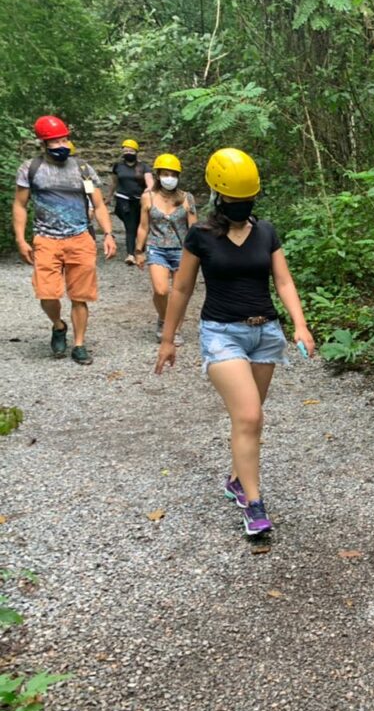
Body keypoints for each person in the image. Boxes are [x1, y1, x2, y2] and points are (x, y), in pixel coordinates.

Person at [155, 148, 314, 537]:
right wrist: (169, 338)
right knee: (249, 417)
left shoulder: (267, 232)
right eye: (235, 199)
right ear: (217, 196)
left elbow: (284, 281)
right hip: (222, 334)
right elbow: (182, 288)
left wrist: (300, 324)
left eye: (248, 199)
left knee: (251, 415)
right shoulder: (201, 236)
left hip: (265, 335)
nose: (242, 206)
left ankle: (235, 477)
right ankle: (254, 505)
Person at [12, 115, 117, 365]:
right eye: (54, 141)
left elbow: (99, 205)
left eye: (63, 139)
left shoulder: (83, 169)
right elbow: (20, 204)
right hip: (46, 240)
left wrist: (109, 233)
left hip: (80, 238)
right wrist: (20, 239)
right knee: (46, 294)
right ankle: (59, 325)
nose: (60, 145)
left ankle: (79, 344)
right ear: (43, 143)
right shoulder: (31, 168)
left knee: (79, 296)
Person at [135, 153, 197, 344]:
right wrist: (138, 250)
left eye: (173, 174)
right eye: (165, 173)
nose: (169, 177)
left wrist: (198, 254)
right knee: (161, 290)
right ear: (158, 175)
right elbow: (143, 226)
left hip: (182, 250)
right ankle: (164, 320)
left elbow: (194, 228)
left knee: (180, 293)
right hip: (157, 247)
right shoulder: (148, 198)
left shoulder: (187, 198)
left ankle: (175, 329)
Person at [106, 138, 153, 264]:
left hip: (139, 200)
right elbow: (114, 182)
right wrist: (109, 196)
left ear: (136, 152)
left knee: (139, 225)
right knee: (131, 225)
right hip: (123, 199)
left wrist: (148, 193)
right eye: (125, 150)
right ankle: (131, 254)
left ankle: (140, 250)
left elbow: (150, 183)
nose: (128, 152)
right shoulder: (118, 166)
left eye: (131, 150)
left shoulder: (143, 167)